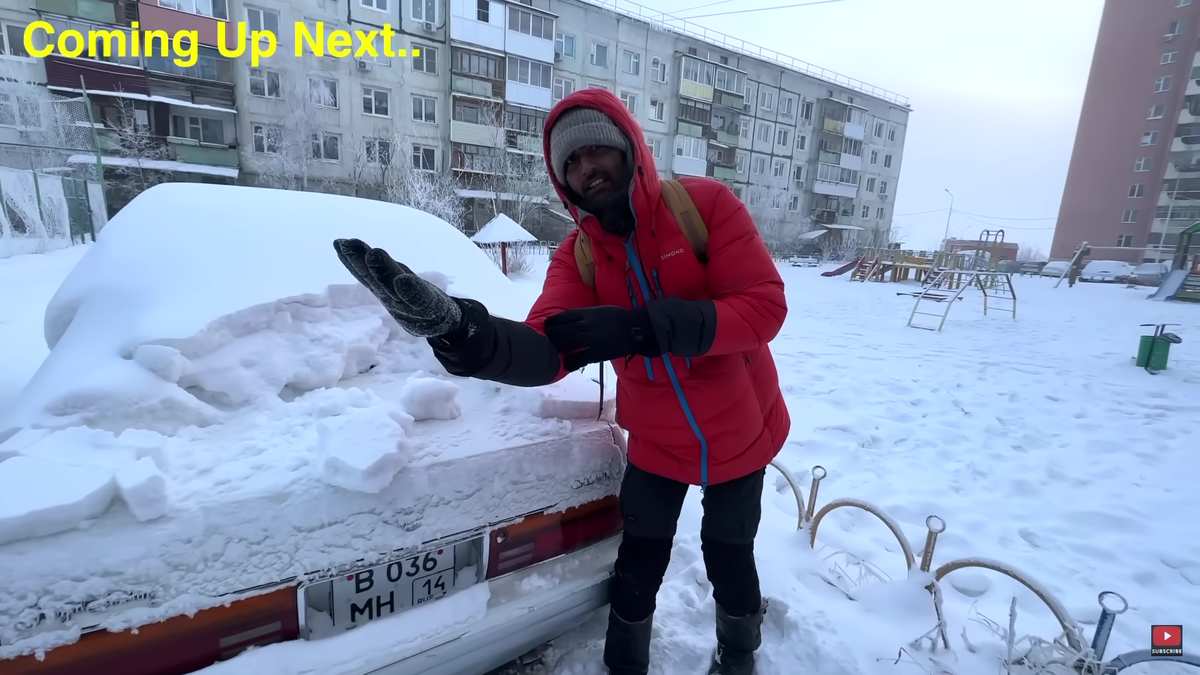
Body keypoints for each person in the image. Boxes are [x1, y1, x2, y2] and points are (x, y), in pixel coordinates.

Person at [332, 88, 789, 675]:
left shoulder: (702, 206)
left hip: (741, 431)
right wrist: (461, 332)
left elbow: (763, 309)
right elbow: (546, 348)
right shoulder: (580, 256)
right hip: (658, 440)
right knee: (640, 557)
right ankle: (624, 663)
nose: (585, 167)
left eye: (596, 149)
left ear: (630, 148)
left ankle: (738, 655)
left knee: (729, 552)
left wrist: (641, 329)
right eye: (570, 162)